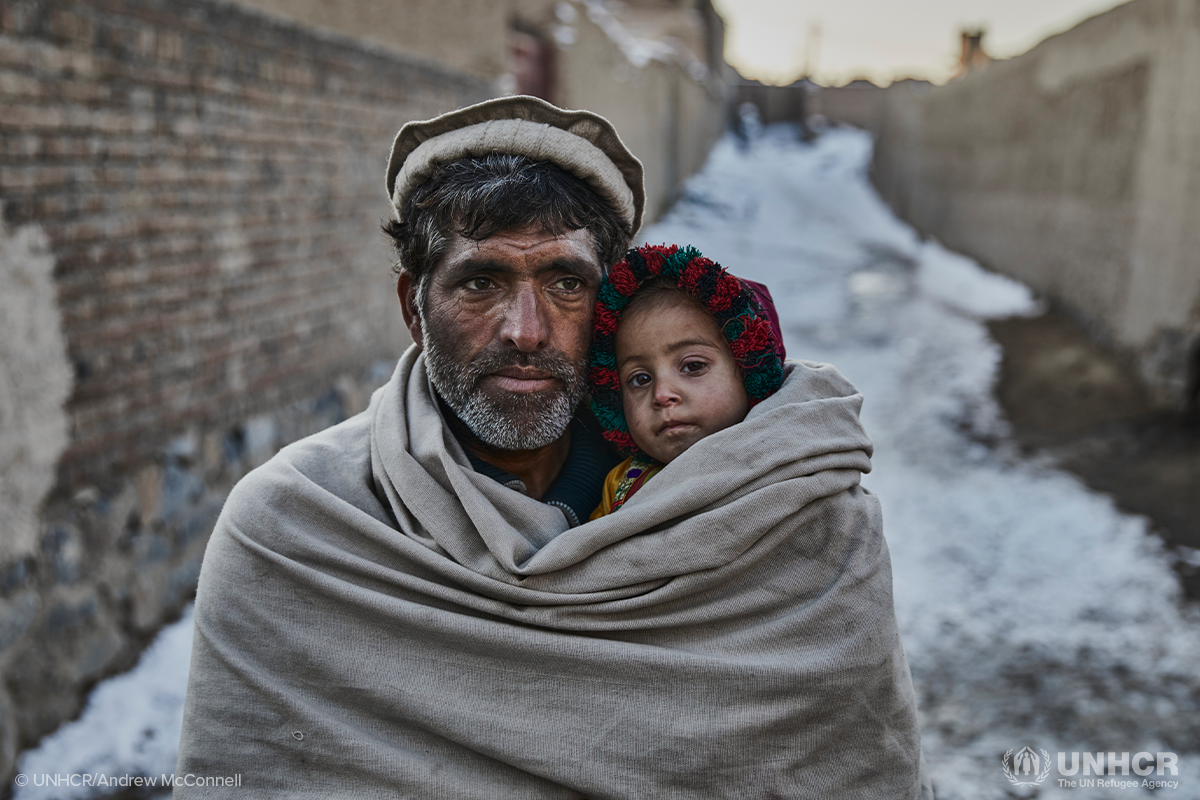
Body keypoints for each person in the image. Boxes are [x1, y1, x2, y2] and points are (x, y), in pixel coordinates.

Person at [175, 95, 932, 799]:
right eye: (480, 284)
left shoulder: (782, 517)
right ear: (415, 306)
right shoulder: (295, 533)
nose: (526, 331)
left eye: (566, 283)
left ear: (610, 303)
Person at [589, 243, 786, 517]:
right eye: (640, 379)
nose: (661, 394)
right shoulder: (620, 487)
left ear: (749, 371)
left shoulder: (790, 463)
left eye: (693, 366)